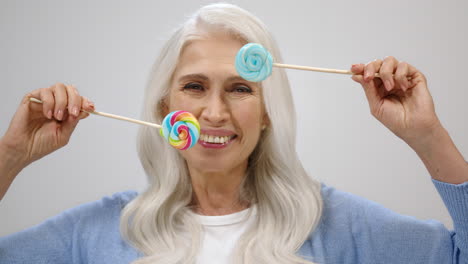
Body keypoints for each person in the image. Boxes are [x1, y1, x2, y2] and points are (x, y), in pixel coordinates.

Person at [0, 3, 467, 264]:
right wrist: (12, 154)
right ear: (165, 106)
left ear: (267, 111)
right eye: (194, 86)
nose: (215, 112)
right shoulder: (97, 233)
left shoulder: (338, 226)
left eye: (241, 88)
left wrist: (427, 136)